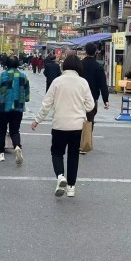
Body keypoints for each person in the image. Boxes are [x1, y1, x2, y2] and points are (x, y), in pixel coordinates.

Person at [31, 55, 94, 198]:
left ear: (64, 66)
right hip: (77, 126)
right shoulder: (83, 82)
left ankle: (60, 176)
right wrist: (80, 108)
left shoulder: (57, 82)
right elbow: (90, 105)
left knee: (57, 153)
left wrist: (37, 120)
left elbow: (46, 104)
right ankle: (71, 187)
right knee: (73, 155)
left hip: (59, 124)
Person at [0, 55, 30, 163]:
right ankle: (17, 146)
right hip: (17, 108)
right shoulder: (23, 76)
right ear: (18, 64)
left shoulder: (2, 75)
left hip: (3, 107)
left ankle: (0, 153)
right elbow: (27, 95)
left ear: (6, 64)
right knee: (15, 131)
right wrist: (24, 98)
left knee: (2, 130)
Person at [81, 42, 110, 133]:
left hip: (79, 97)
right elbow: (103, 84)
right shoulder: (98, 66)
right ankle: (87, 138)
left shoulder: (79, 65)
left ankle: (77, 139)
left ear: (85, 51)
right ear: (95, 52)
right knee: (90, 120)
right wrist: (106, 100)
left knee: (78, 119)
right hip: (92, 98)